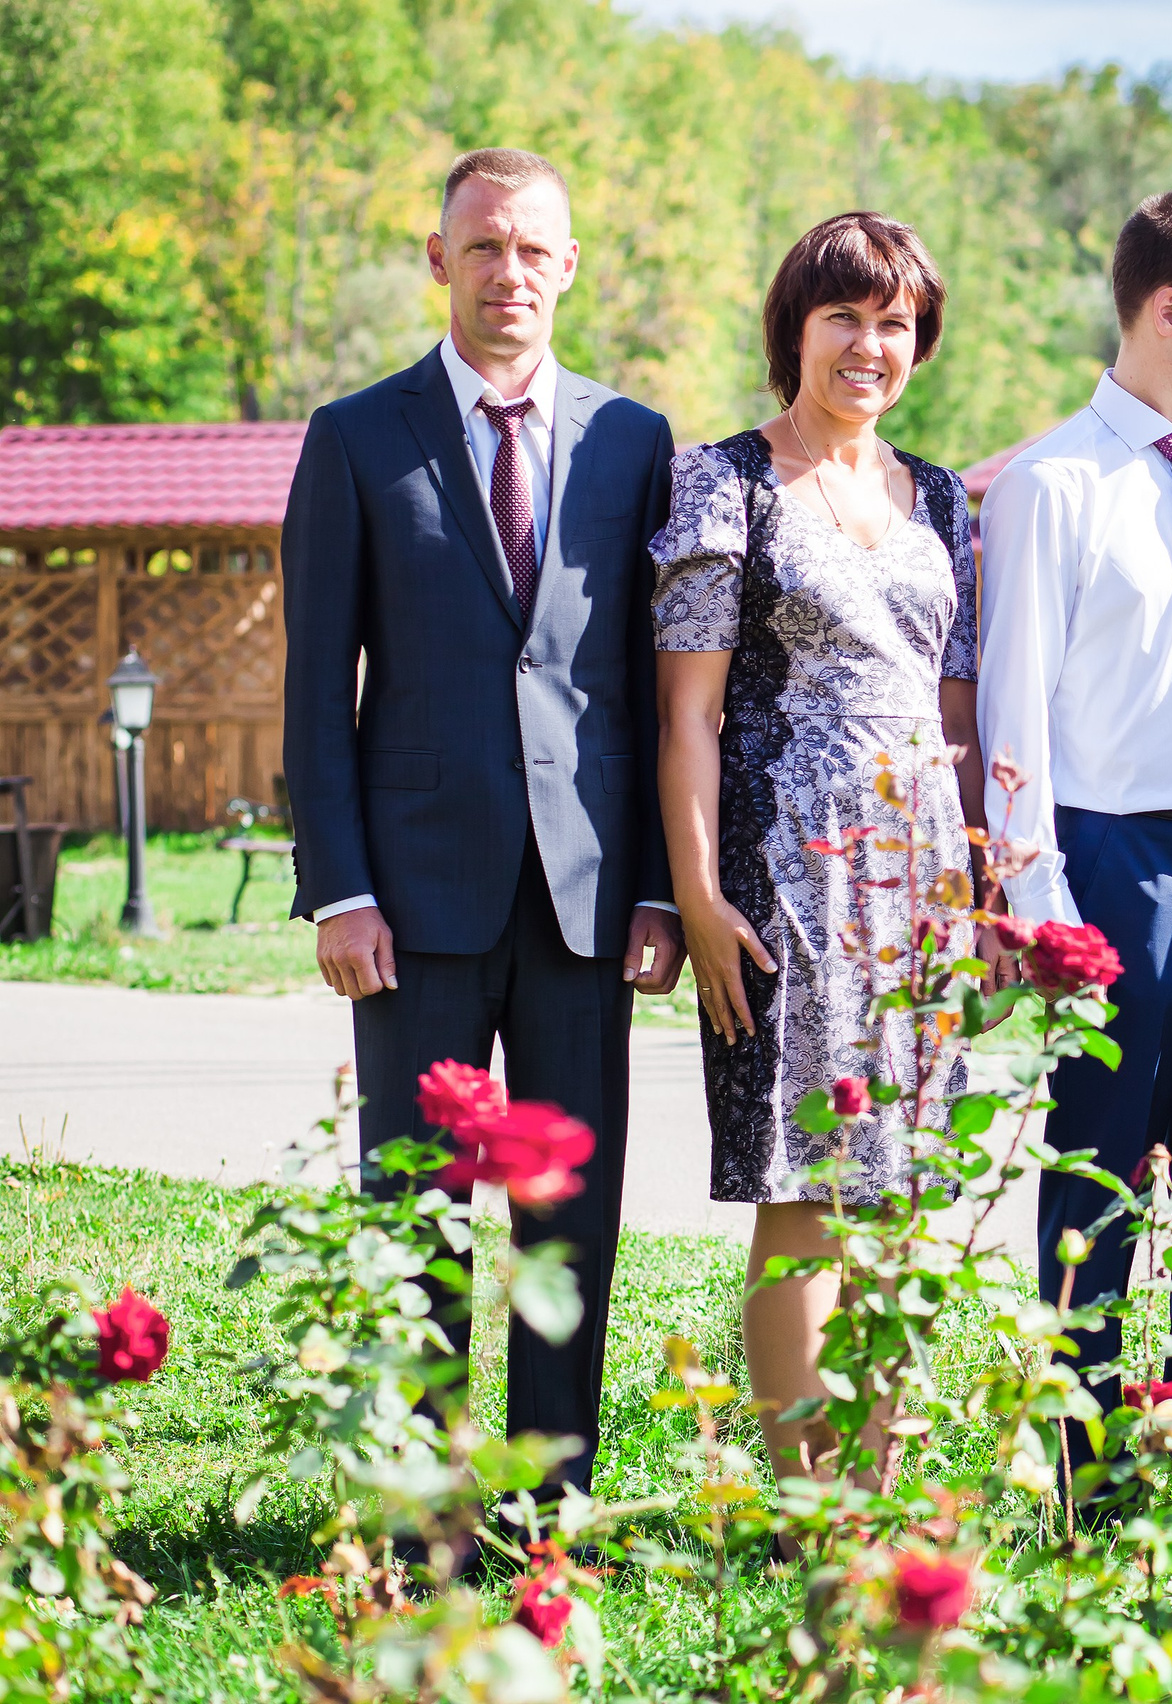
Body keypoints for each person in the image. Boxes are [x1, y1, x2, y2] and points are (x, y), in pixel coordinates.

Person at [281, 148, 684, 1490]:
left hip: (587, 904)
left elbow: (641, 676)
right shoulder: (354, 434)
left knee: (569, 1213)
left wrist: (659, 892)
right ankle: (419, 1497)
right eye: (483, 247)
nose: (508, 273)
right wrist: (338, 886)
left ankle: (549, 1496)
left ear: (569, 266)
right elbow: (315, 680)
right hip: (414, 896)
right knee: (418, 1211)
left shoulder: (634, 441)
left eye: (533, 250)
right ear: (439, 261)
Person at [649, 212, 981, 1484]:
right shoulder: (720, 480)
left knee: (900, 1190)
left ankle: (878, 1492)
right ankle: (808, 1504)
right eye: (844, 315)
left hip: (922, 878)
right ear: (794, 328)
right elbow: (687, 712)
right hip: (785, 871)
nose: (869, 344)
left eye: (895, 323)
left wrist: (979, 892)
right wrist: (694, 891)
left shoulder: (941, 497)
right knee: (805, 1188)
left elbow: (953, 714)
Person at [976, 189, 1172, 1505]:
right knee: (1098, 1186)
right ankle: (1087, 1477)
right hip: (1114, 866)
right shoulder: (1050, 484)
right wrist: (1045, 904)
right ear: (1167, 310)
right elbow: (1014, 707)